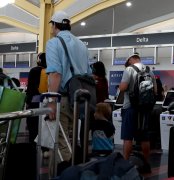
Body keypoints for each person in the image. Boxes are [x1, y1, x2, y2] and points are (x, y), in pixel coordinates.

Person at [45, 11, 92, 174]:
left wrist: (51, 101)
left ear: (54, 25)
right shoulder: (81, 44)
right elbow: (88, 73)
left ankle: (64, 175)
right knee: (71, 140)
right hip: (79, 100)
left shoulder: (54, 43)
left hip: (63, 99)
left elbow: (55, 74)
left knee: (60, 142)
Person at [119, 53, 156, 173]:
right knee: (144, 138)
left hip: (130, 107)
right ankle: (146, 164)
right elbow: (155, 90)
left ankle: (125, 164)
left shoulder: (129, 69)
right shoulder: (150, 71)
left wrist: (120, 86)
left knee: (127, 138)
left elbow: (123, 87)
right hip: (145, 109)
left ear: (130, 60)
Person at [26, 53, 47, 144]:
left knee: (33, 128)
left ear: (39, 60)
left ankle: (33, 149)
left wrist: (28, 101)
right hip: (47, 101)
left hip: (34, 101)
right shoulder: (50, 71)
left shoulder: (34, 70)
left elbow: (30, 88)